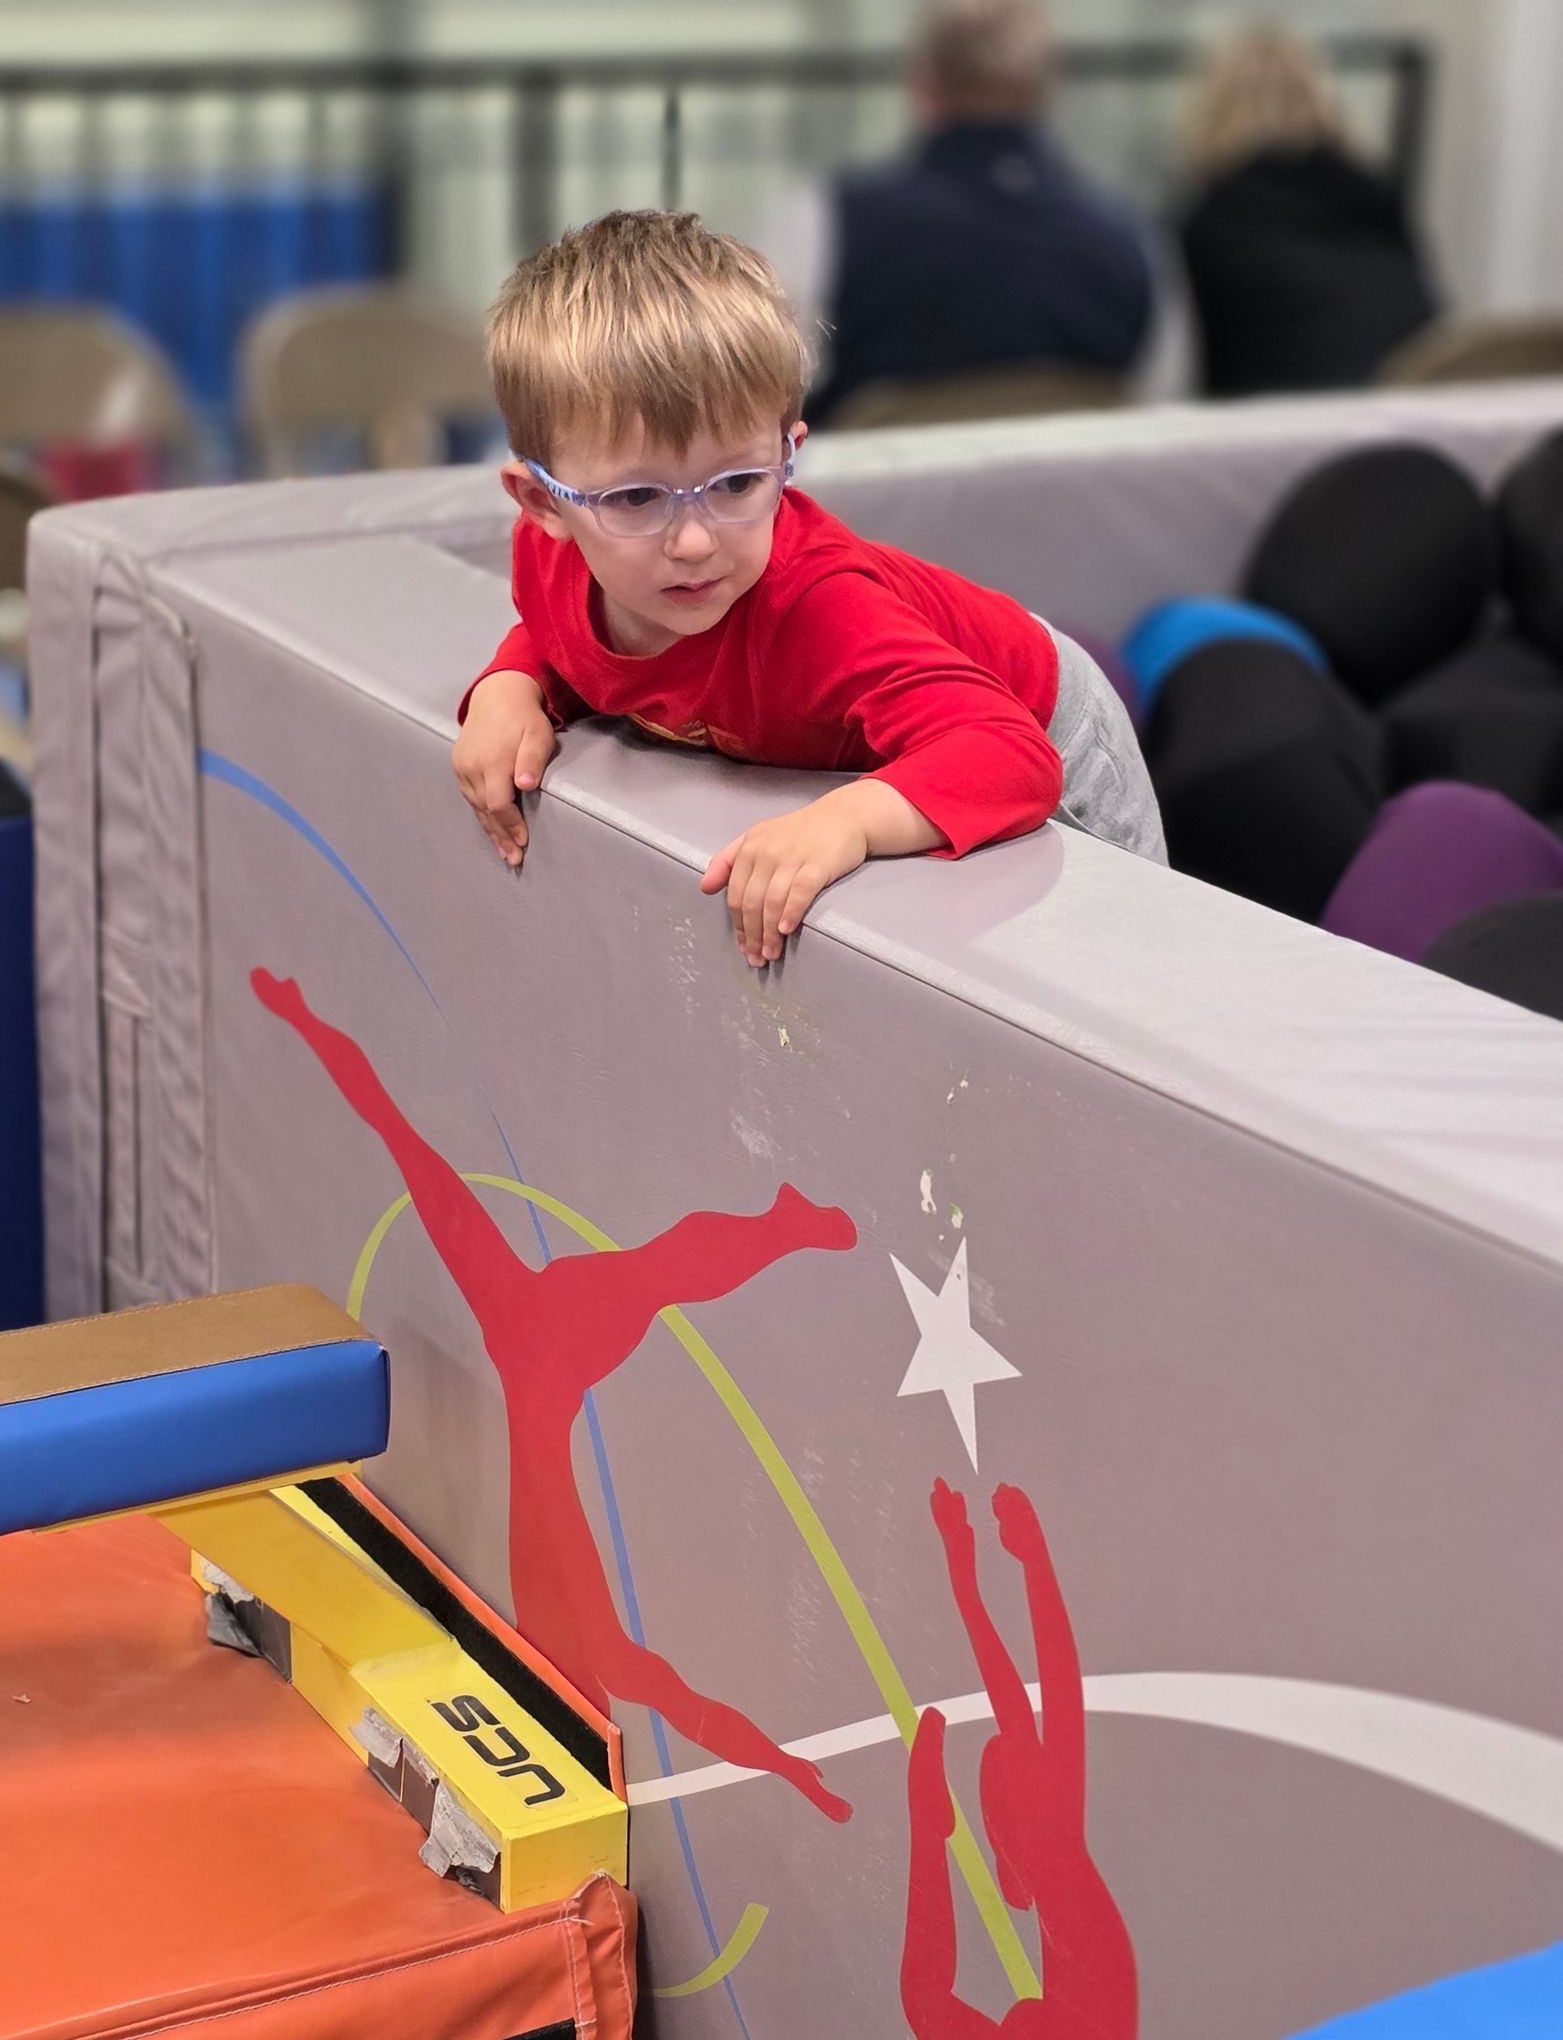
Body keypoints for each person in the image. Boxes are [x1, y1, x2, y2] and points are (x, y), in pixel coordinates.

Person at [452, 208, 1165, 961]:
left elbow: (1010, 752)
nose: (695, 542)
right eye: (635, 498)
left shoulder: (818, 612)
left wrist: (844, 821)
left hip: (1044, 727)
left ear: (787, 454)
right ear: (543, 504)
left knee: (1121, 965)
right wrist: (512, 685)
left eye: (737, 483)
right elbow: (559, 633)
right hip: (931, 716)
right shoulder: (549, 560)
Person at [251, 965, 860, 1822]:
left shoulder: (591, 1647)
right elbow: (684, 1703)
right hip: (536, 1344)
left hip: (536, 1342)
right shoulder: (597, 1648)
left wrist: (791, 1769)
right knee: (430, 1158)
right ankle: (784, 1228)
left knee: (632, 1259)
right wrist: (789, 1770)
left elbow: (681, 1700)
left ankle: (784, 1228)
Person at [764, 0, 1190, 422]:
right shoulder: (1134, 236)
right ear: (1045, 87)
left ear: (925, 82)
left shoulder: (825, 218)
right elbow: (1164, 404)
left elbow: (763, 386)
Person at [901, 1479, 1138, 2036]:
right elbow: (1049, 1699)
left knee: (925, 2003)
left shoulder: (1057, 1864)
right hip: (1084, 2012)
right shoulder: (1059, 1863)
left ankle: (930, 1823)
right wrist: (1021, 1566)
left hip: (1082, 2016)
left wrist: (927, 1832)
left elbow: (1045, 1702)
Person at [1174, 25, 1439, 398]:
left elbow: (1203, 368)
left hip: (1291, 419)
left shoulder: (1211, 218)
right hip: (1417, 406)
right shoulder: (1373, 194)